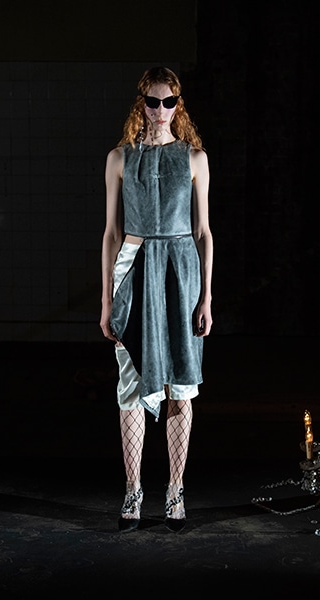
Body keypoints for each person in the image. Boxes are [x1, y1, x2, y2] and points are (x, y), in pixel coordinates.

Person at [100, 66, 213, 533]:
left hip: (180, 270)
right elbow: (110, 233)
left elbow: (204, 231)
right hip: (134, 262)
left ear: (178, 105)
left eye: (169, 102)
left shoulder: (195, 158)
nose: (161, 110)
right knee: (131, 382)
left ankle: (175, 491)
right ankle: (133, 491)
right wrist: (106, 301)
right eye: (153, 101)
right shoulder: (119, 158)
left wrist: (207, 297)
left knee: (180, 384)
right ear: (141, 103)